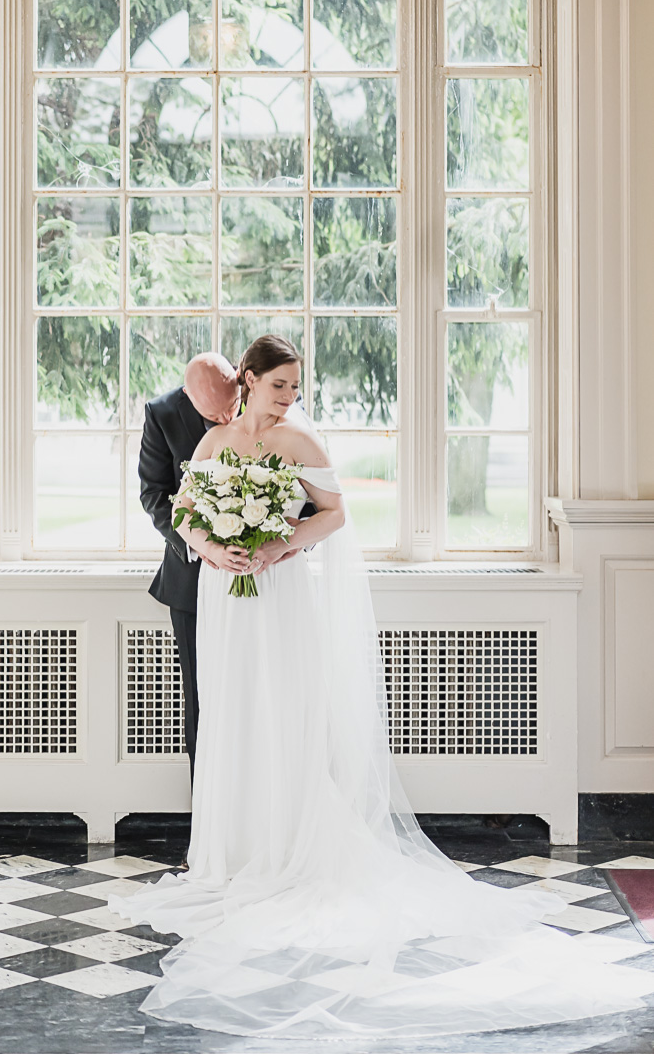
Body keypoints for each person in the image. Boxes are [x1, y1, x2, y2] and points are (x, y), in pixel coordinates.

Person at [112, 335, 647, 1044]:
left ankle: (288, 847)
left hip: (277, 600)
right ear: (247, 381)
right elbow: (183, 512)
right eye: (279, 387)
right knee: (231, 720)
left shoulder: (298, 441)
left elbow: (333, 514)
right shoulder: (212, 444)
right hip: (223, 605)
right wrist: (215, 547)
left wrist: (279, 545)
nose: (289, 400)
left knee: (282, 715)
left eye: (296, 388)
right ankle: (231, 853)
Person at [138, 353, 239, 783]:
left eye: (231, 407)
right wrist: (203, 543)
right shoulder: (161, 415)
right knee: (201, 699)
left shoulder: (270, 401)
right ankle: (207, 824)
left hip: (263, 576)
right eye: (212, 413)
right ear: (187, 397)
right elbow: (154, 494)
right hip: (190, 582)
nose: (226, 419)